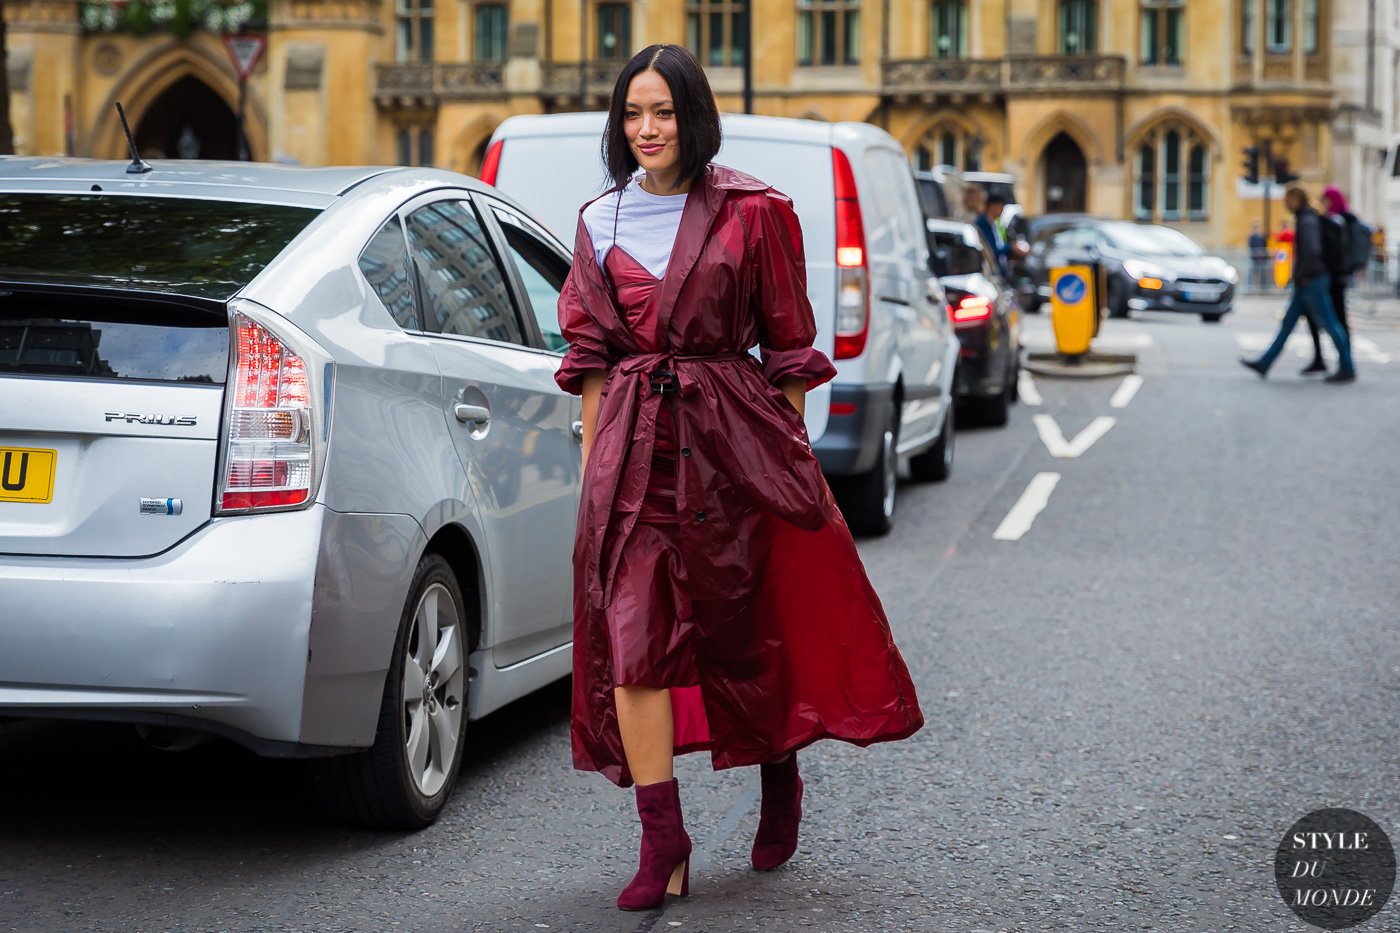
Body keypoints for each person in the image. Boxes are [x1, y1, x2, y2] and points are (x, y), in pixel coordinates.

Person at [554, 44, 924, 912]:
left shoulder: (756, 212)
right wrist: (593, 470)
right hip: (634, 458)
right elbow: (594, 363)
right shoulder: (595, 220)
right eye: (633, 114)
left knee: (743, 631)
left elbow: (789, 345)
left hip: (734, 451)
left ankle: (779, 772)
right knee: (634, 642)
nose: (647, 130)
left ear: (695, 117)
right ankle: (664, 840)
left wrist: (781, 448)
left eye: (664, 112)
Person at [1240, 187, 1356, 384]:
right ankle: (1265, 362)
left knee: (1330, 323)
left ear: (1296, 199)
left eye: (1288, 199)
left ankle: (1347, 366)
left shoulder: (1307, 220)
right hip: (1307, 281)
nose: (1286, 204)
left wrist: (1303, 275)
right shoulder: (1307, 218)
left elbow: (1311, 251)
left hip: (1311, 281)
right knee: (1288, 324)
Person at [1298, 185, 1359, 372]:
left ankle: (1345, 363)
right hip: (1336, 276)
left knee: (1337, 320)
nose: (1323, 202)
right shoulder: (1340, 219)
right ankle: (1327, 359)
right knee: (1326, 319)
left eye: (1325, 199)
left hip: (1333, 277)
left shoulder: (1336, 220)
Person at [973, 190, 1012, 277]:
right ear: (993, 206)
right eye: (1001, 207)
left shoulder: (996, 223)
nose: (1002, 211)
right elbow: (990, 250)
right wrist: (1010, 248)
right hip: (989, 271)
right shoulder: (982, 224)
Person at [1248, 221, 1268, 288]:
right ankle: (1250, 287)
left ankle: (1264, 287)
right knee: (1252, 272)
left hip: (1262, 258)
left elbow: (1265, 245)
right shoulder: (1252, 237)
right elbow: (1251, 246)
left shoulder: (1263, 236)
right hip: (1254, 258)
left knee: (1263, 273)